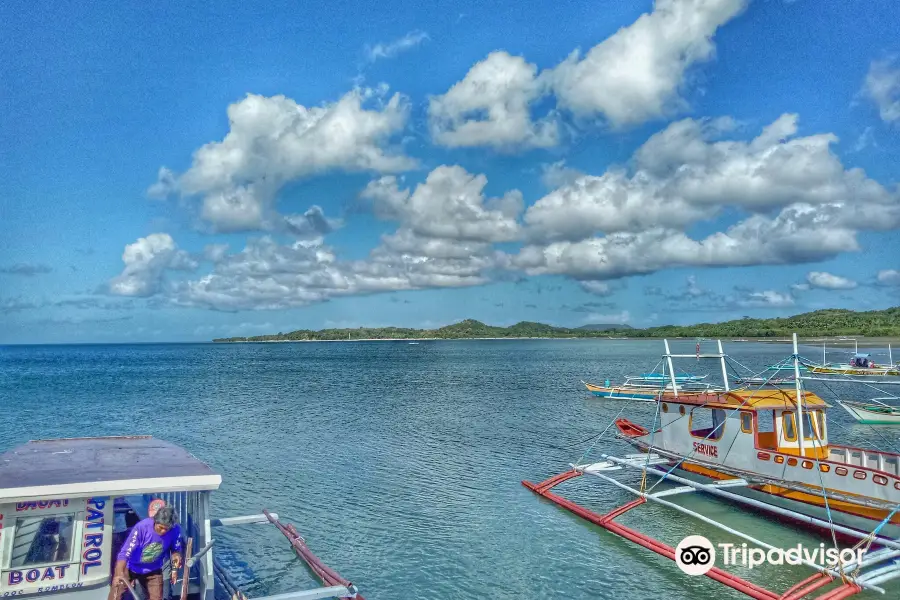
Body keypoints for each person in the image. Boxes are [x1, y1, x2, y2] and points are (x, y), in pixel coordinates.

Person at [108, 506, 183, 600]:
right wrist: (119, 574)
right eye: (161, 527)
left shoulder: (175, 530)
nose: (163, 531)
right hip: (130, 566)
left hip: (153, 569)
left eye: (167, 529)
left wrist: (174, 570)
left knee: (157, 597)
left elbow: (175, 551)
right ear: (155, 521)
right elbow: (124, 553)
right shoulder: (141, 528)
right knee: (116, 594)